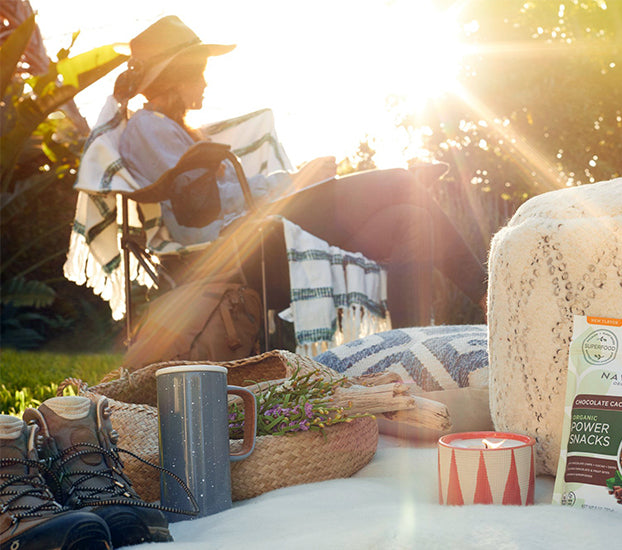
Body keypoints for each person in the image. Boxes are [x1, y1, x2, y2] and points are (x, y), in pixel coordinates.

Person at [115, 15, 486, 328]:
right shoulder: (148, 128)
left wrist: (294, 182)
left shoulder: (170, 129)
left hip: (257, 233)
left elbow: (212, 194)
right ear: (178, 77)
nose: (206, 84)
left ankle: (409, 349)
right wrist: (296, 180)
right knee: (402, 182)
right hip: (240, 246)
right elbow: (199, 212)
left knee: (413, 220)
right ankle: (489, 293)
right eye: (200, 75)